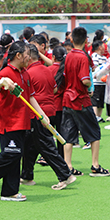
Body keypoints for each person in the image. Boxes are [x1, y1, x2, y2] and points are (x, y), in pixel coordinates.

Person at [0, 42, 52, 201]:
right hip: (9, 122)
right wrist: (1, 82)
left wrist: (42, 115)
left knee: (15, 156)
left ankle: (9, 192)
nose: (29, 57)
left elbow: (30, 96)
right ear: (18, 55)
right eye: (26, 54)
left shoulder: (25, 73)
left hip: (23, 121)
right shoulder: (6, 72)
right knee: (11, 154)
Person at [20, 45, 76, 190]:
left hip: (38, 113)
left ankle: (65, 175)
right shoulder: (47, 69)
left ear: (29, 57)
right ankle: (26, 175)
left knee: (45, 146)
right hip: (49, 110)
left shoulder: (28, 73)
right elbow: (54, 88)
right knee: (30, 146)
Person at [61, 27, 109, 177]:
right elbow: (85, 79)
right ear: (86, 40)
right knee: (94, 132)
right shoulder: (82, 57)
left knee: (68, 133)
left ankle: (68, 165)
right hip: (80, 99)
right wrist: (90, 84)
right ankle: (95, 165)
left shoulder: (68, 56)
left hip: (68, 98)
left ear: (71, 40)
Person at [90, 40, 108, 122]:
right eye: (104, 46)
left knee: (101, 101)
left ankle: (99, 117)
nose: (105, 48)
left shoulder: (104, 58)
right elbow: (95, 68)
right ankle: (94, 117)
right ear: (100, 47)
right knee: (95, 101)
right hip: (96, 82)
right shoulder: (94, 56)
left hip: (103, 83)